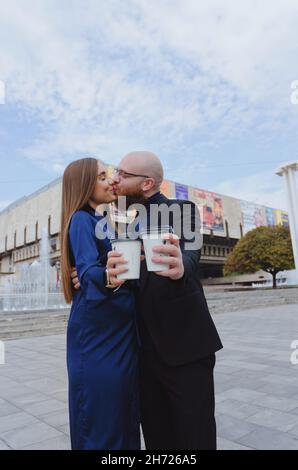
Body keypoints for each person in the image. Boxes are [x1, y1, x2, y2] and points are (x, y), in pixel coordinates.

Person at [72, 151, 223, 450]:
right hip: (140, 355)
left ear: (147, 183)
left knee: (195, 438)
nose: (115, 178)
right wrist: (90, 274)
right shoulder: (123, 227)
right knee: (157, 439)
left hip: (185, 351)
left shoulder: (181, 210)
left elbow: (190, 255)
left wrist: (181, 266)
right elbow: (106, 272)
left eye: (123, 174)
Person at [60, 157, 140, 450]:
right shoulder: (81, 219)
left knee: (121, 412)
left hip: (118, 332)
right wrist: (108, 275)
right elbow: (88, 270)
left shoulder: (102, 221)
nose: (109, 181)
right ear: (83, 184)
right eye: (101, 176)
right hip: (99, 335)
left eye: (110, 175)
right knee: (102, 417)